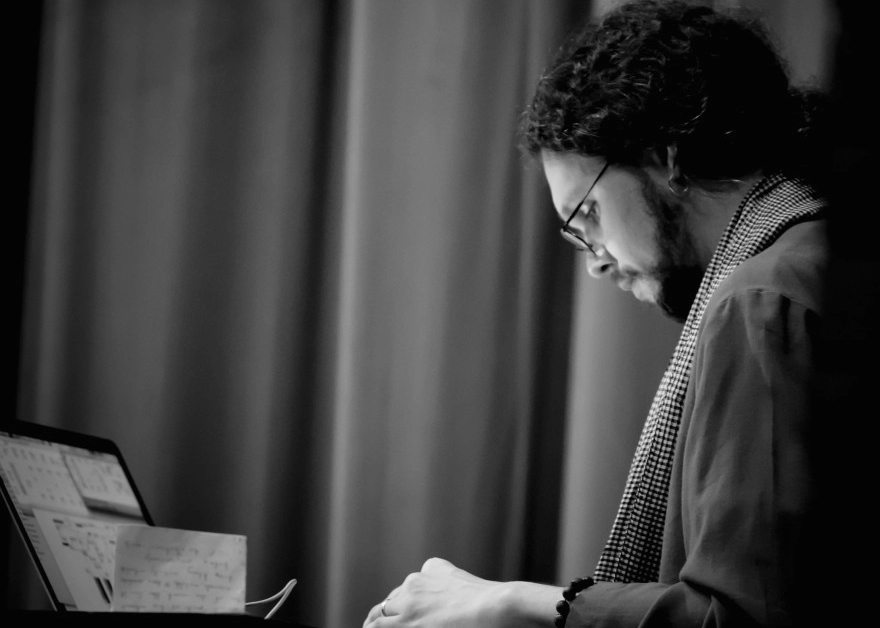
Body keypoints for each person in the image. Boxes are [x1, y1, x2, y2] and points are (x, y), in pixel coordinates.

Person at [363, 1, 831, 626]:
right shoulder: (824, 254)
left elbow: (740, 619)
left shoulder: (761, 300)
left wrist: (507, 600)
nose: (596, 263)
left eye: (588, 214)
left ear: (667, 157)